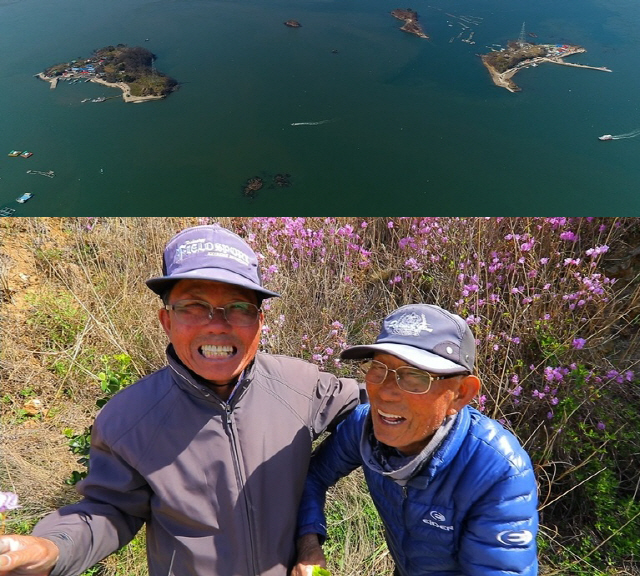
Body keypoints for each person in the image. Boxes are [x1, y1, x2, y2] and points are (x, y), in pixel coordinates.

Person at [0, 224, 361, 576]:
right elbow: (108, 509)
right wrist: (51, 548)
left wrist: (309, 535)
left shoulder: (301, 384)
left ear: (260, 321)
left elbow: (379, 415)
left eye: (238, 307)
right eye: (193, 306)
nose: (217, 324)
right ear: (165, 320)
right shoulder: (129, 419)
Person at [295, 304, 538, 576]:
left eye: (415, 377)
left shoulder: (496, 470)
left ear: (461, 393)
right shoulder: (363, 428)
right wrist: (309, 544)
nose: (385, 393)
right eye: (378, 367)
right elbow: (313, 476)